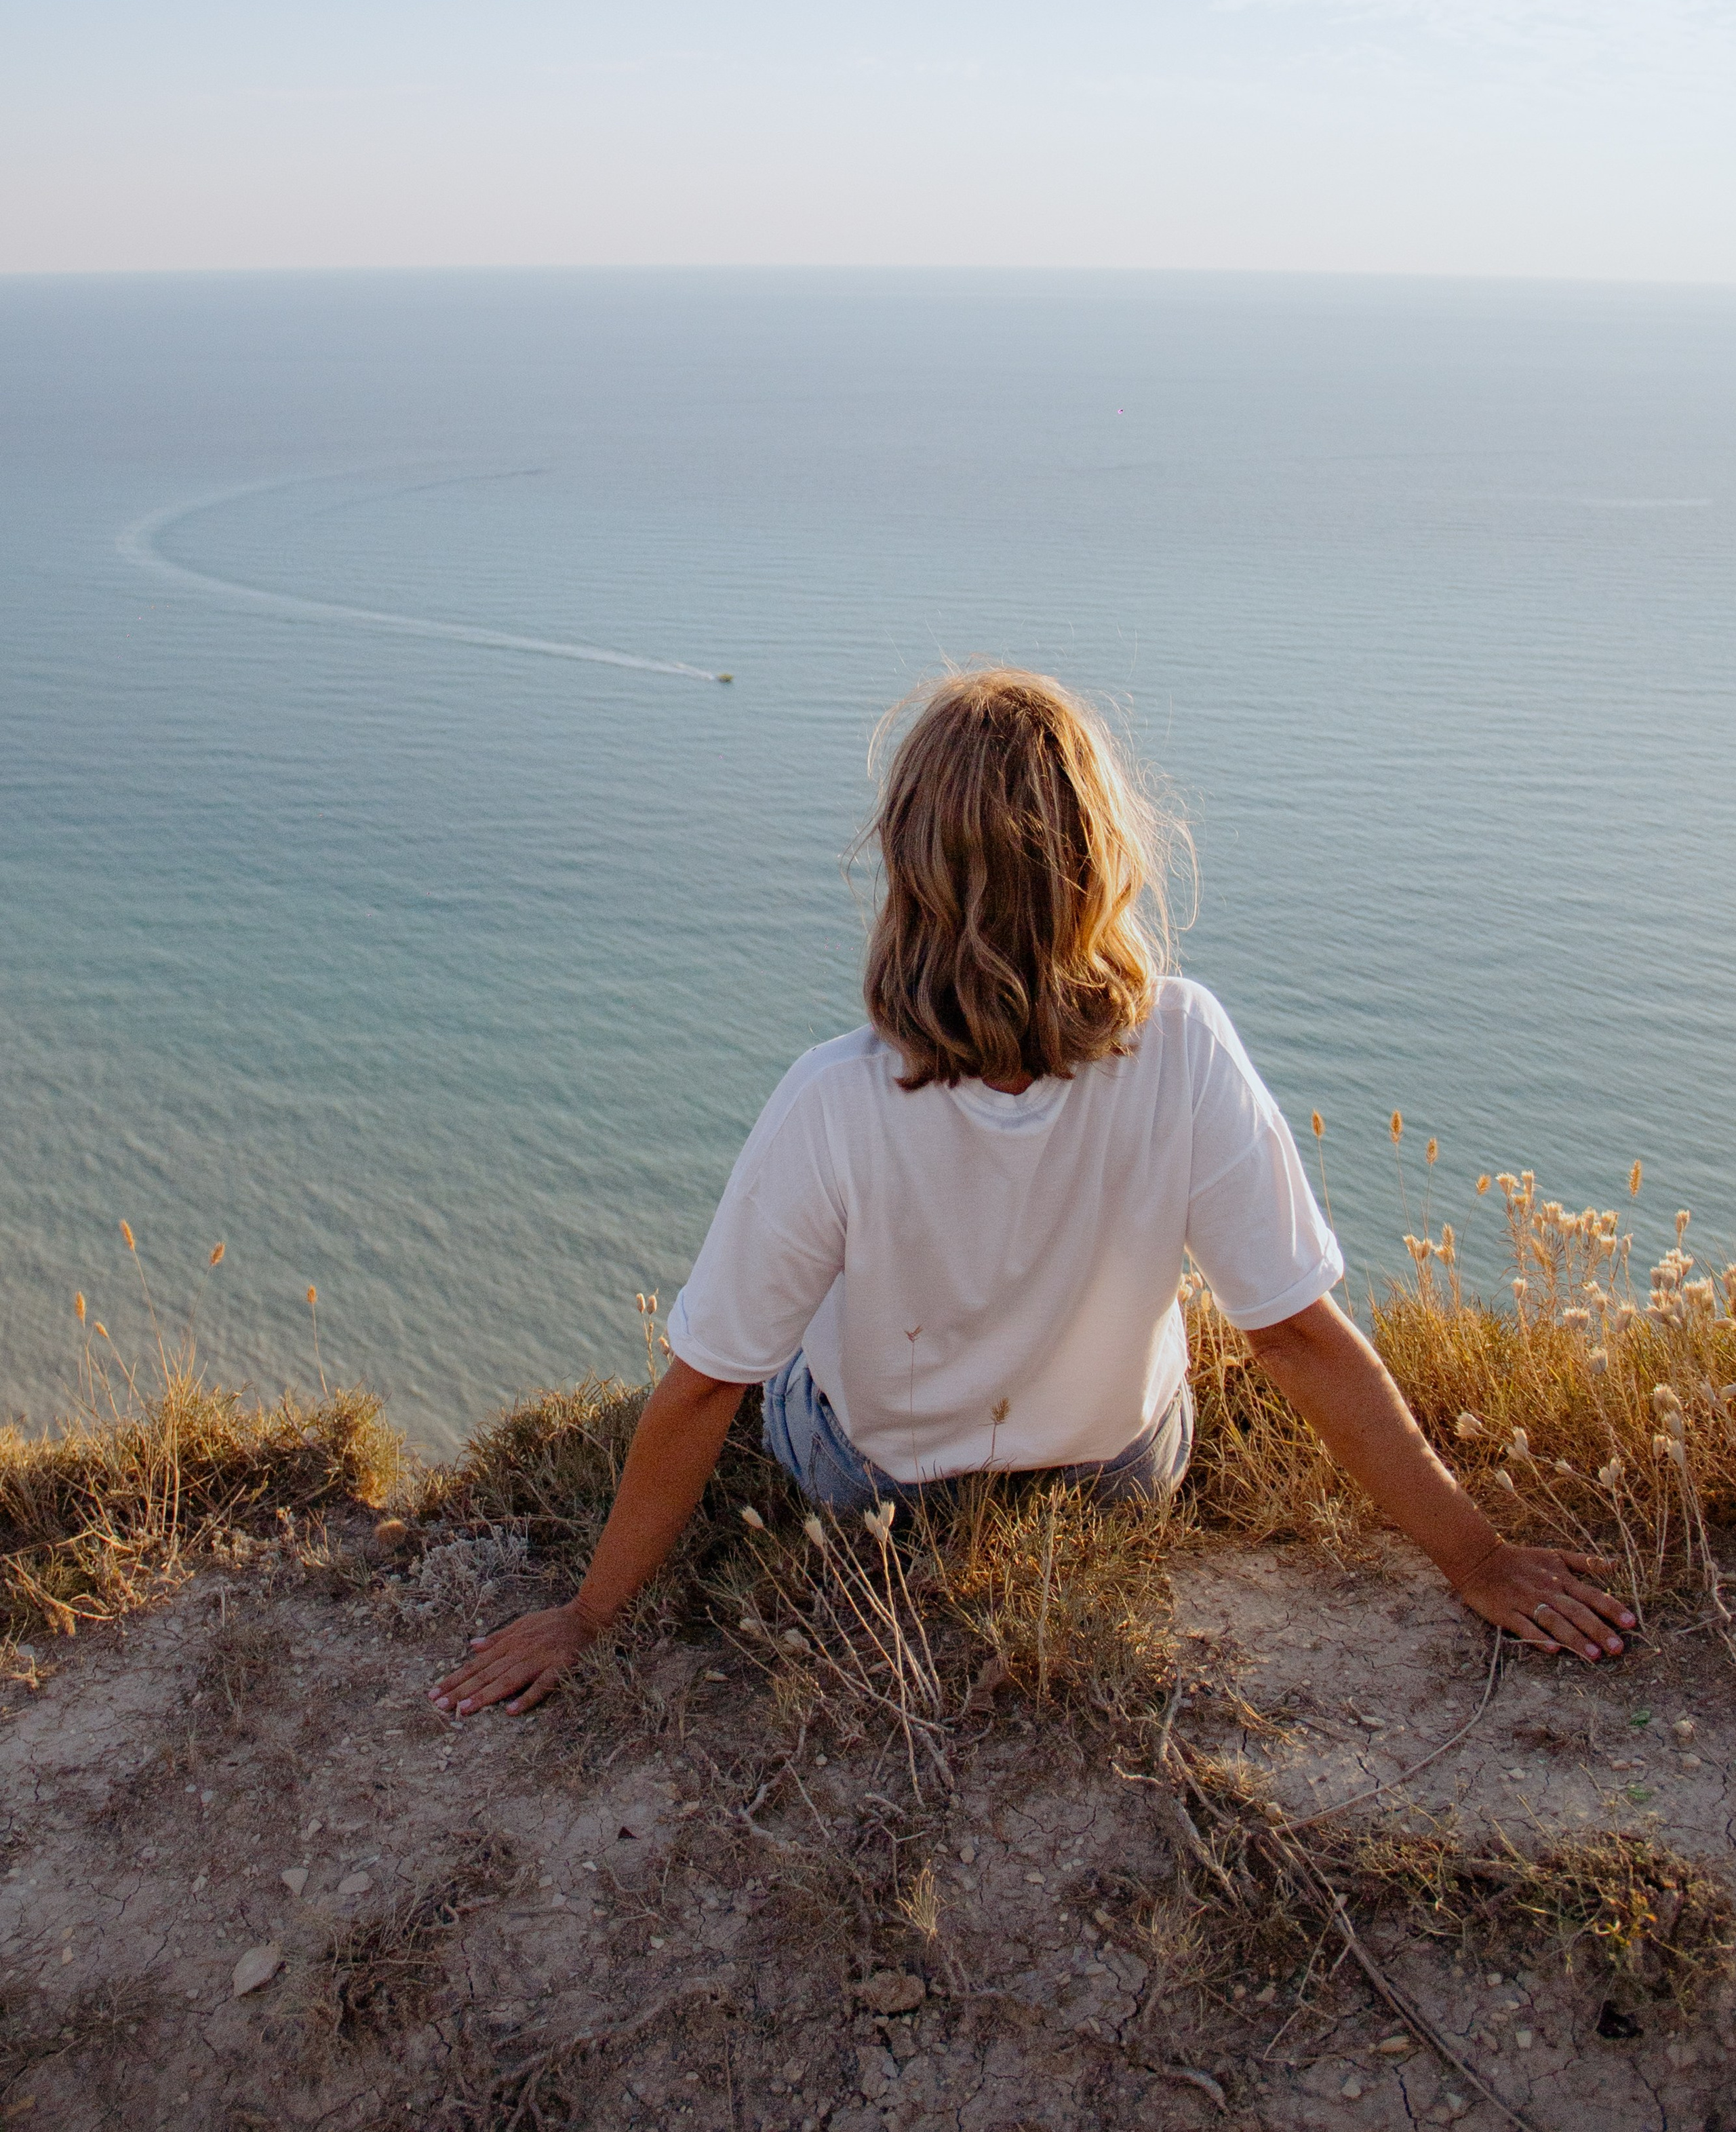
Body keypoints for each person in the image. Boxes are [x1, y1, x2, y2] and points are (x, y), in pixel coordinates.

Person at [432, 668, 1633, 1720]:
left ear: (906, 869)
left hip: (871, 1488)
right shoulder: (1187, 1044)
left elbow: (705, 1387)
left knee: (789, 1349)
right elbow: (1297, 1334)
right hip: (1117, 1475)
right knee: (1187, 1312)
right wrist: (1474, 1560)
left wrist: (586, 1617)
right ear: (1103, 861)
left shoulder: (835, 1097)